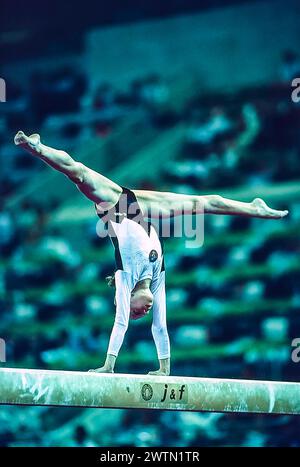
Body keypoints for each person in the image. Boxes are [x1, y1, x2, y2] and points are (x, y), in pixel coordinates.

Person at [14, 131, 288, 376]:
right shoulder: (156, 281)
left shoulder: (125, 277)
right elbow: (160, 325)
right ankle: (254, 208)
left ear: (127, 299)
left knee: (79, 174)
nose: (143, 312)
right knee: (202, 203)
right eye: (143, 313)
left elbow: (120, 322)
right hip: (140, 211)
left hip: (118, 209)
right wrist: (164, 368)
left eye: (137, 312)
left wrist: (109, 365)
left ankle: (37, 148)